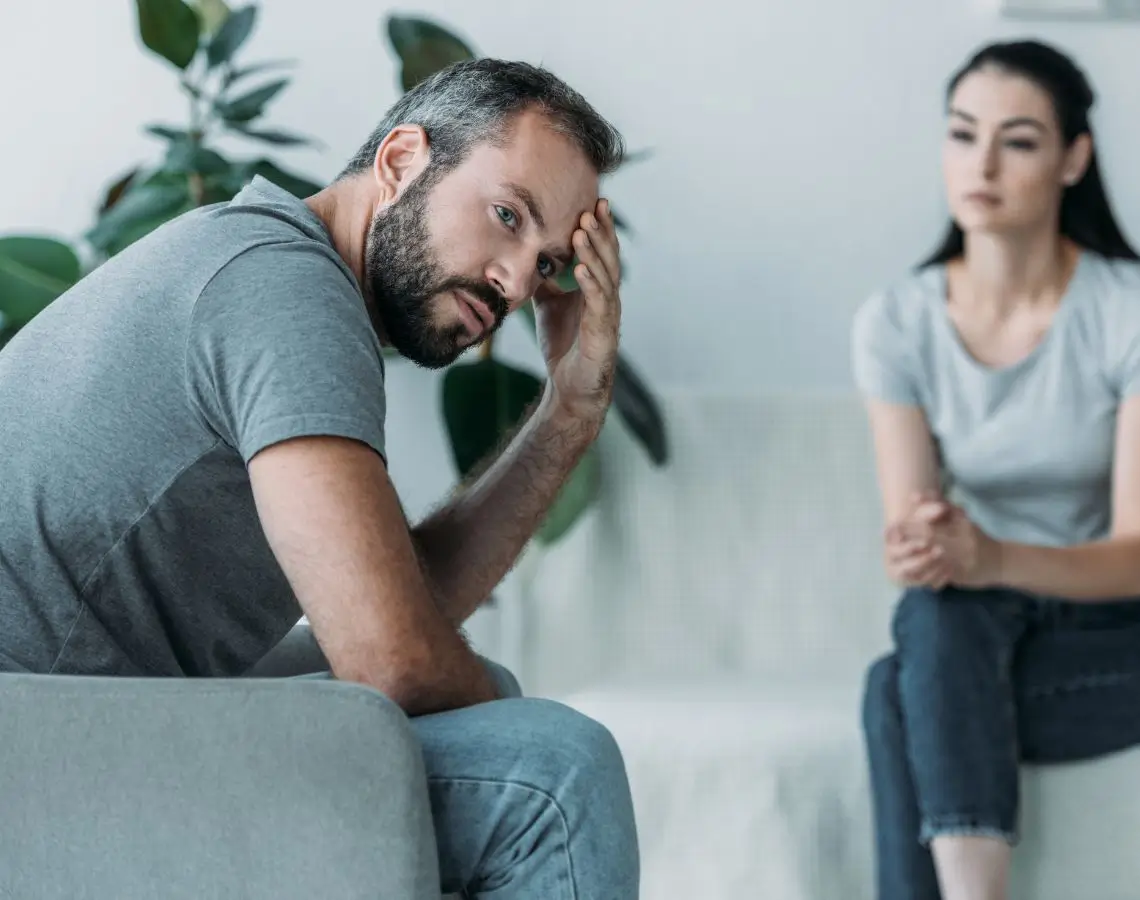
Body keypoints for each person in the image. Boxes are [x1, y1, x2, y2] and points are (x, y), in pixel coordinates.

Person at [0, 58, 639, 898]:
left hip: (60, 711)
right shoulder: (288, 293)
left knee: (495, 708)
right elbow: (394, 661)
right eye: (506, 214)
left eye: (549, 262)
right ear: (402, 160)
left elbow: (401, 614)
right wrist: (469, 688)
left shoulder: (265, 257)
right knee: (553, 775)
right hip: (32, 755)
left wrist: (567, 413)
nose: (518, 281)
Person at [853, 39, 1140, 900]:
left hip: (1119, 625)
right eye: (962, 133)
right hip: (990, 628)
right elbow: (918, 529)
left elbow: (1137, 552)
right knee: (929, 630)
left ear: (1071, 160)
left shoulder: (1124, 312)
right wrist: (925, 549)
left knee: (896, 690)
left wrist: (989, 558)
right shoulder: (896, 322)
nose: (980, 163)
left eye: (1017, 140)